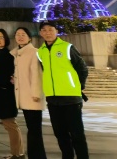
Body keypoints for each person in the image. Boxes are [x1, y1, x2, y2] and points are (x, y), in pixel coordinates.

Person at [37, 21, 89, 159]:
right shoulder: (40, 52)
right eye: (44, 30)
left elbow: (82, 68)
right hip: (52, 99)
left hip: (71, 98)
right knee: (60, 134)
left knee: (77, 134)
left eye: (50, 29)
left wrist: (78, 86)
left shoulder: (67, 47)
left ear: (56, 31)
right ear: (40, 33)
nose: (47, 32)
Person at [11, 27, 47, 159]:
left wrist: (36, 94)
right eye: (18, 34)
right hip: (24, 96)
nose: (20, 37)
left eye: (23, 34)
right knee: (32, 129)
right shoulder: (16, 53)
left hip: (32, 97)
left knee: (34, 130)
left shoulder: (34, 52)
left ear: (29, 38)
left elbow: (37, 74)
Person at [0, 29, 24, 159]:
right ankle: (17, 152)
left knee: (10, 124)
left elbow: (8, 77)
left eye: (1, 37)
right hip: (0, 93)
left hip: (7, 94)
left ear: (6, 39)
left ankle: (18, 153)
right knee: (8, 124)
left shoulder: (9, 55)